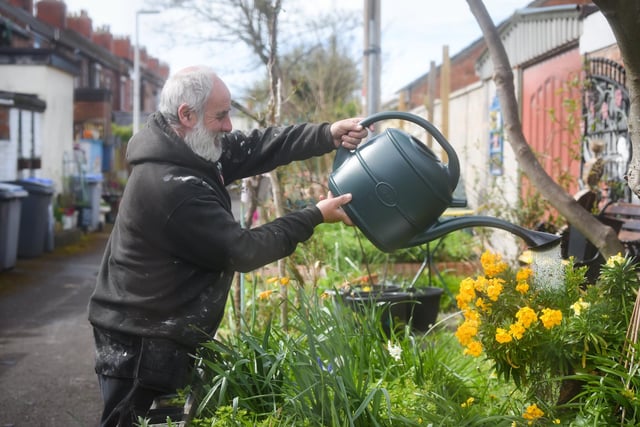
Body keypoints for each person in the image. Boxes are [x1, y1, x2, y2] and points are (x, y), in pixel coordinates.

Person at [87, 65, 369, 426]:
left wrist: (326, 134)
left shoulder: (189, 147)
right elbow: (244, 250)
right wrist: (314, 215)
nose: (229, 125)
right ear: (186, 115)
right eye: (220, 116)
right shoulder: (171, 186)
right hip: (141, 341)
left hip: (158, 328)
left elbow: (255, 146)